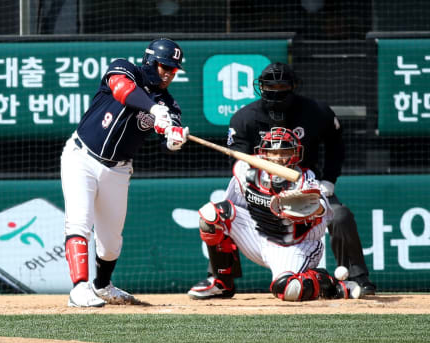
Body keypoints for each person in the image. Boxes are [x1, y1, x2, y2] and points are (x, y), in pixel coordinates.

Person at [188, 61, 375, 299]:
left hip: (304, 186)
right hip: (261, 191)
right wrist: (260, 189)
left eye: (281, 84)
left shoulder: (316, 112)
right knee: (214, 214)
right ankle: (220, 279)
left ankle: (353, 279)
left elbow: (335, 145)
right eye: (270, 84)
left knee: (339, 216)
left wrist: (326, 183)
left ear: (293, 86)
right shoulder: (245, 119)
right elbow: (236, 175)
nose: (276, 89)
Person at [61, 38, 189, 307]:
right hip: (81, 157)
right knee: (79, 222)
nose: (168, 73)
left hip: (118, 170)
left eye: (173, 69)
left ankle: (102, 286)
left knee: (110, 242)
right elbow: (122, 90)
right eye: (163, 66)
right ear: (149, 61)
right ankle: (78, 288)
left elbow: (171, 134)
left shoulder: (168, 103)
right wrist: (153, 109)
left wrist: (173, 139)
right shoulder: (124, 68)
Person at [189, 127, 363, 301]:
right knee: (212, 214)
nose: (279, 157)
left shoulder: (305, 179)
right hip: (258, 235)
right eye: (273, 153)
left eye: (284, 152)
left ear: (295, 154)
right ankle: (222, 283)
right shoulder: (248, 174)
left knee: (288, 289)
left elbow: (323, 211)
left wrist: (308, 207)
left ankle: (331, 285)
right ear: (264, 154)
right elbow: (230, 210)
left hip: (295, 246)